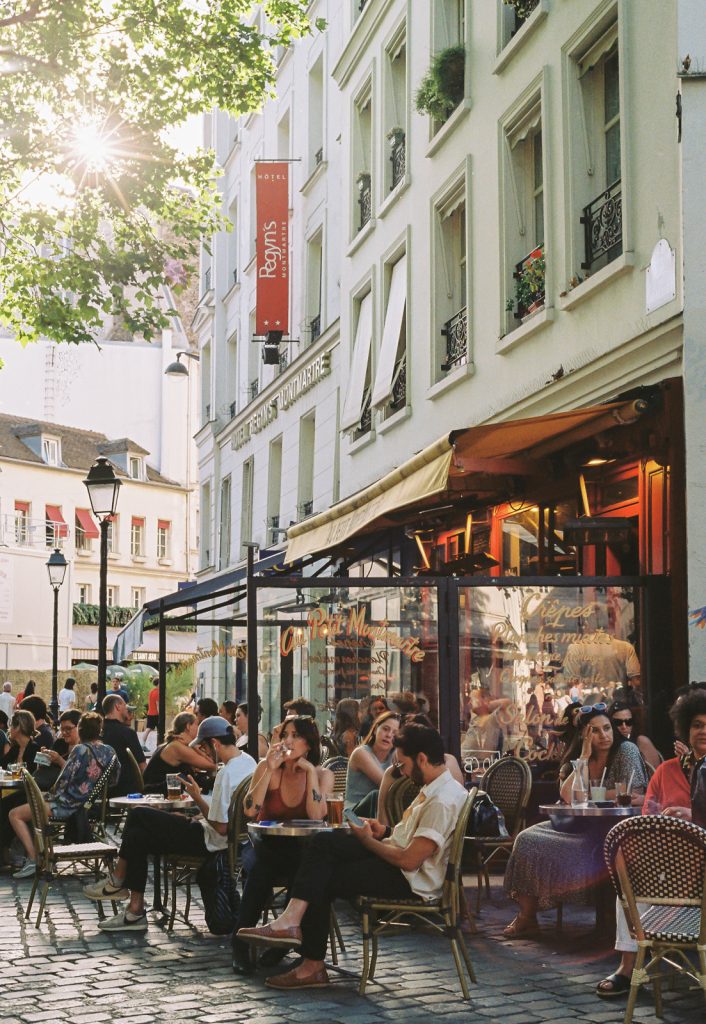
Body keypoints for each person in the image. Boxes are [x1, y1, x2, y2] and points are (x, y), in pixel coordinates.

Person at [236, 722, 469, 991]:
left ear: (422, 759)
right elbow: (416, 842)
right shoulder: (438, 788)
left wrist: (368, 841)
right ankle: (296, 936)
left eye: (402, 765)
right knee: (323, 846)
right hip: (401, 863)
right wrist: (385, 830)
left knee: (322, 866)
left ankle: (306, 955)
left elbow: (409, 860)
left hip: (409, 879)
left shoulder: (441, 799)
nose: (401, 772)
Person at [81, 716, 256, 931]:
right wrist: (197, 815)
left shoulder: (226, 773)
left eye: (204, 748)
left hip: (211, 842)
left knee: (138, 815)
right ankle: (134, 910)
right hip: (220, 838)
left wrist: (197, 798)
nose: (205, 753)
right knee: (138, 837)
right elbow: (229, 816)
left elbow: (220, 826)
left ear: (215, 744)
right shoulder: (248, 762)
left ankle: (117, 881)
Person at [502, 704, 649, 939]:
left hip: (611, 829)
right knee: (525, 839)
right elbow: (568, 795)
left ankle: (606, 922)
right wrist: (584, 757)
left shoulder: (626, 751)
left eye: (607, 728)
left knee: (583, 850)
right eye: (596, 731)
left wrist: (589, 794)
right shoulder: (579, 758)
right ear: (584, 735)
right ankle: (527, 917)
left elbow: (632, 793)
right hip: (577, 826)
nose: (604, 735)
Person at [596, 687, 706, 997]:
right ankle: (628, 966)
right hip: (669, 870)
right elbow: (643, 826)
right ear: (685, 729)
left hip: (704, 876)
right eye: (697, 724)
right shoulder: (666, 772)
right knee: (628, 873)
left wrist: (692, 815)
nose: (703, 731)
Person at [232, 716, 334, 974]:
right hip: (264, 845)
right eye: (284, 735)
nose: (287, 740)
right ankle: (240, 945)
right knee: (262, 868)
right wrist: (267, 768)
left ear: (308, 744)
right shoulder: (268, 768)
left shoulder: (322, 775)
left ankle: (282, 944)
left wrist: (310, 771)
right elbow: (249, 810)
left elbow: (315, 816)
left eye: (295, 736)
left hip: (301, 849)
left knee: (305, 867)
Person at [9, 711, 117, 878]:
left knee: (15, 814)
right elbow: (114, 780)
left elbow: (63, 781)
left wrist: (46, 794)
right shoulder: (110, 751)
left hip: (66, 805)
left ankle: (34, 859)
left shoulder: (80, 750)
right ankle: (39, 855)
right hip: (88, 804)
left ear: (80, 730)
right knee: (30, 803)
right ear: (99, 731)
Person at [377, 714, 463, 827]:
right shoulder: (449, 763)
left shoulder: (391, 774)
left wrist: (368, 838)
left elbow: (383, 821)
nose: (403, 772)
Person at [143, 712, 217, 794]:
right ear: (188, 726)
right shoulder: (177, 746)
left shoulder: (175, 743)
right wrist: (194, 746)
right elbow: (212, 766)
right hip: (155, 795)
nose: (199, 728)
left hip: (162, 792)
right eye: (197, 725)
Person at [344, 711, 399, 816]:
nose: (389, 735)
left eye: (395, 733)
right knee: (375, 795)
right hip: (354, 814)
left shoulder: (395, 755)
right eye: (385, 729)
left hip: (380, 814)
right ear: (375, 730)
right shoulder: (361, 753)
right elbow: (386, 785)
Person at [100, 694, 146, 796]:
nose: (126, 710)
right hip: (126, 792)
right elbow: (142, 767)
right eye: (125, 706)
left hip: (101, 791)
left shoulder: (97, 732)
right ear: (118, 706)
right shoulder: (127, 733)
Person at [607, 700, 662, 769]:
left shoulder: (641, 741)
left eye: (628, 722)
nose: (624, 727)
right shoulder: (607, 744)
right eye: (618, 722)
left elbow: (655, 773)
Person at [142, 681, 160, 747]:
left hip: (150, 713)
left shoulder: (151, 691)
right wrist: (160, 714)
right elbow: (157, 704)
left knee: (148, 729)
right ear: (158, 684)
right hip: (156, 714)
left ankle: (142, 744)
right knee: (160, 730)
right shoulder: (158, 692)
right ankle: (159, 744)